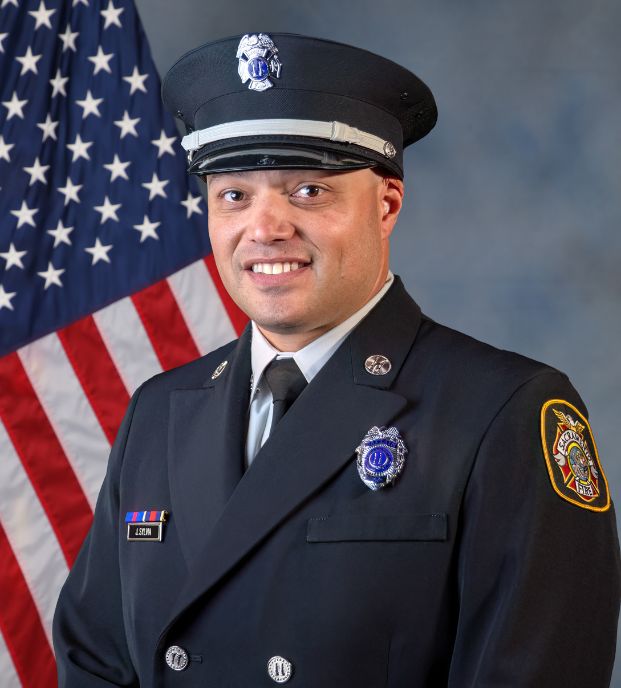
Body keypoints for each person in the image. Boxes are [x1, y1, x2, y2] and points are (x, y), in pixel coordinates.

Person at [53, 33, 621, 687]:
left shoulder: (504, 414)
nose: (264, 228)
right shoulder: (158, 411)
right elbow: (94, 661)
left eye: (307, 192)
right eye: (233, 195)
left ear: (385, 205)